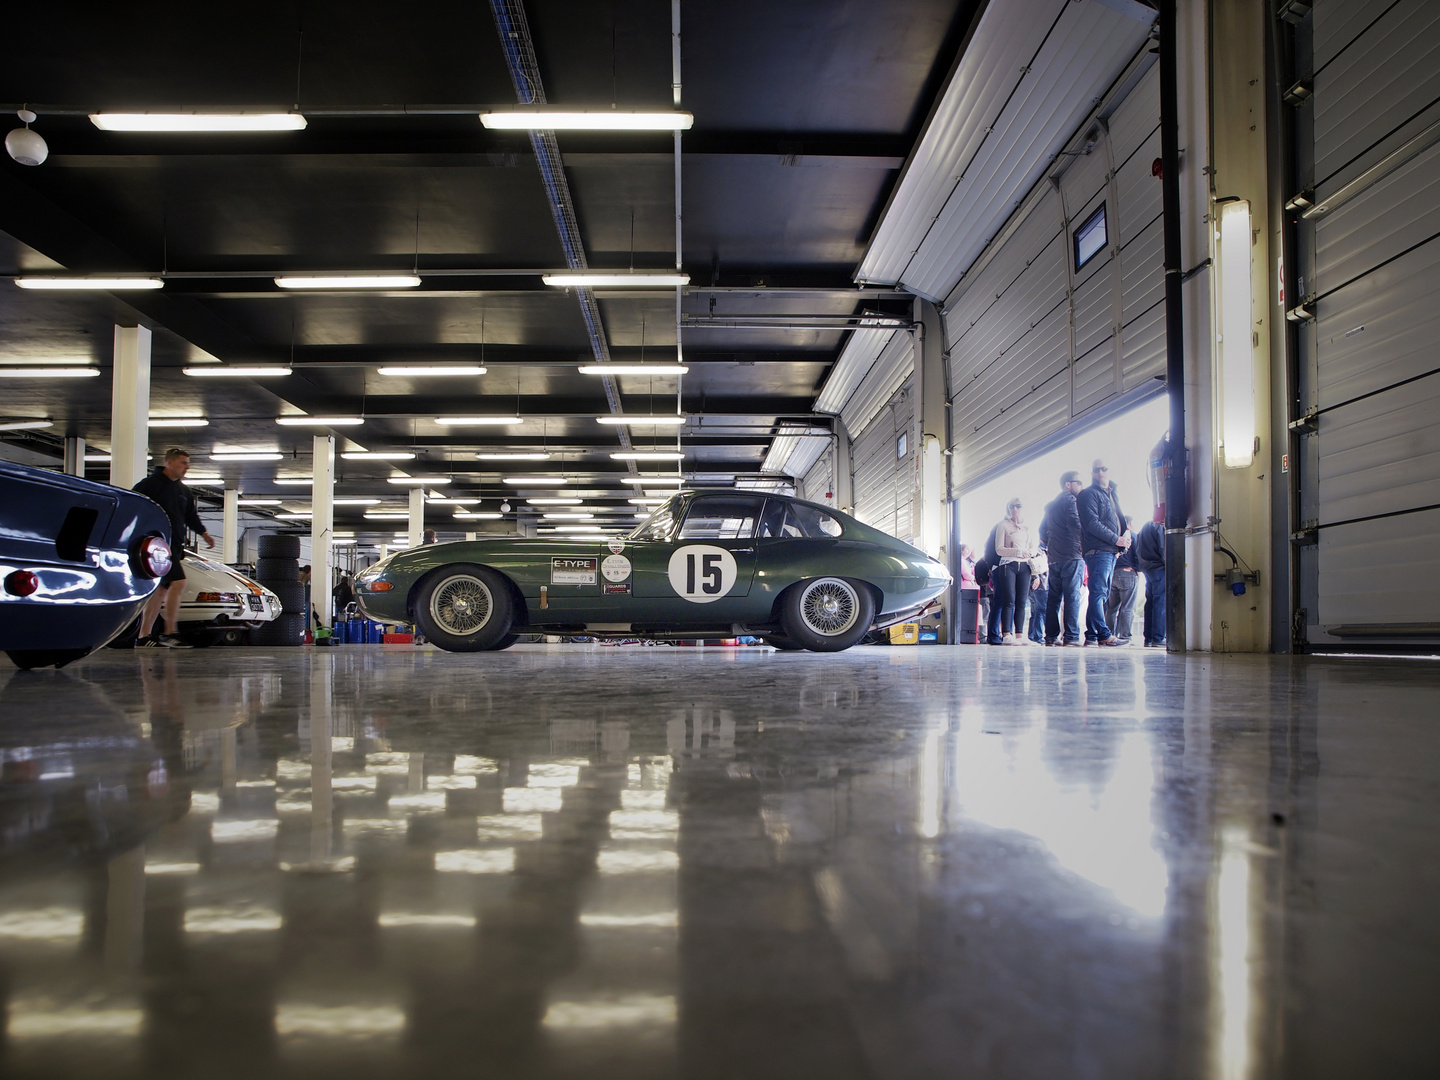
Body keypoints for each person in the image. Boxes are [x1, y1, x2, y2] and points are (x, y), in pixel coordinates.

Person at [133, 448, 216, 648]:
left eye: (187, 463)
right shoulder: (148, 486)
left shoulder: (183, 491)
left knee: (160, 590)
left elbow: (190, 517)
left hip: (175, 547)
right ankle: (169, 632)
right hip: (157, 548)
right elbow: (134, 508)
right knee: (179, 583)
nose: (186, 467)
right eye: (182, 463)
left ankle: (143, 637)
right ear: (169, 463)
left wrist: (203, 533)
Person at [1076, 459, 1130, 646]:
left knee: (1102, 594)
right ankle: (1104, 634)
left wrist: (1122, 542)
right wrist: (1117, 540)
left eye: (1104, 469)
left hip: (1108, 550)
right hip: (1098, 550)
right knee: (1098, 593)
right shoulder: (1088, 494)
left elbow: (1117, 521)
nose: (1100, 472)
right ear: (1091, 473)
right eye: (1096, 470)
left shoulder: (1111, 494)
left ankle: (1092, 635)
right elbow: (1092, 524)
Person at [1039, 471, 1085, 646]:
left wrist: (1052, 545)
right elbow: (1075, 522)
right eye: (1078, 482)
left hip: (1055, 557)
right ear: (1068, 485)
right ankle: (1071, 637)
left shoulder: (1051, 506)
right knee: (1072, 596)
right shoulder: (1070, 500)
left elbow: (1042, 531)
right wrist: (1082, 543)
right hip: (1072, 555)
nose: (1081, 486)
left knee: (1054, 598)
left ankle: (1051, 636)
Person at [989, 497, 1034, 645]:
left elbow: (1034, 548)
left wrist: (1029, 553)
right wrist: (1018, 552)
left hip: (1025, 566)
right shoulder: (1003, 525)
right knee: (1009, 599)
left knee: (1022, 600)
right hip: (1008, 565)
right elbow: (999, 549)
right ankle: (1007, 633)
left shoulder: (1029, 527)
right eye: (1012, 507)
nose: (1015, 509)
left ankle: (1020, 635)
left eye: (1018, 506)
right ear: (1008, 509)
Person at [1105, 516, 1140, 643]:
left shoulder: (1113, 536)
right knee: (1128, 607)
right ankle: (1125, 637)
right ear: (1130, 523)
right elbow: (1138, 556)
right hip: (1128, 573)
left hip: (1113, 573)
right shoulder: (1133, 536)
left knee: (1111, 608)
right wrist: (1137, 570)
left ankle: (1108, 636)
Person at [1135, 517, 1166, 648]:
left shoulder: (1145, 526)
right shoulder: (1159, 526)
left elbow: (1137, 548)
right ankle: (1158, 638)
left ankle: (1148, 638)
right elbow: (1164, 548)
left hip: (1147, 568)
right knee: (1161, 602)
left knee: (1150, 603)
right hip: (1159, 567)